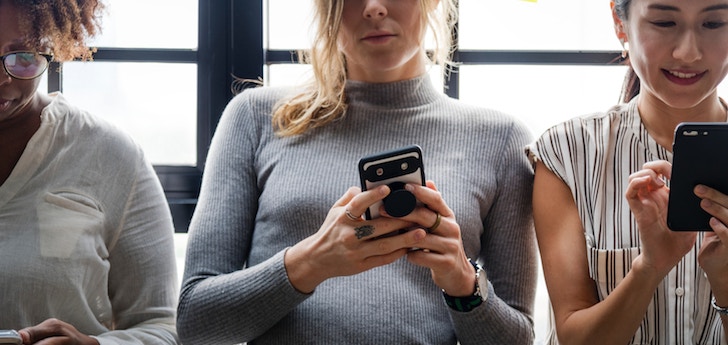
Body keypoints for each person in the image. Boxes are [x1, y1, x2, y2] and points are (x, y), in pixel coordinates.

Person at [176, 0, 537, 344]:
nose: (374, 7)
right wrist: (311, 262)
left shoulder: (500, 140)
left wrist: (464, 283)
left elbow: (517, 338)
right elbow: (195, 321)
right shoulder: (255, 118)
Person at [527, 0, 728, 344]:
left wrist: (725, 286)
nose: (688, 53)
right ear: (621, 24)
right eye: (665, 22)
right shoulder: (567, 153)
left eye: (713, 24)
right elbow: (574, 337)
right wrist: (649, 267)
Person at [0, 0, 179, 344]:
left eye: (22, 56)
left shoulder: (109, 155)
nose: (0, 78)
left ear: (48, 42)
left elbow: (163, 328)